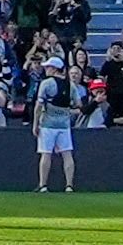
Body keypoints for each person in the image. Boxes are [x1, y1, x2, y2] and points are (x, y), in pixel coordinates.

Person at [30, 57, 78, 194]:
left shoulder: (46, 84)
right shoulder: (71, 85)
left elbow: (38, 106)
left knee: (46, 154)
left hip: (47, 124)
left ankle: (43, 185)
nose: (46, 69)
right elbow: (77, 104)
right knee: (67, 154)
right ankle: (69, 185)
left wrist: (35, 124)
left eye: (48, 67)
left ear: (54, 68)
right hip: (64, 125)